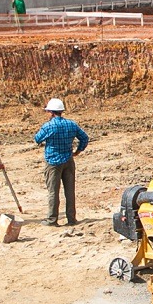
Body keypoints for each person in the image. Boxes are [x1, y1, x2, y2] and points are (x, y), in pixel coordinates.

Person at [33, 97, 89, 226]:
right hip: (68, 160)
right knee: (69, 191)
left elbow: (37, 139)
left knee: (53, 191)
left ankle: (52, 219)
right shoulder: (71, 124)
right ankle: (71, 219)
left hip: (53, 162)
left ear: (52, 112)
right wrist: (77, 151)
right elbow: (84, 138)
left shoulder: (48, 126)